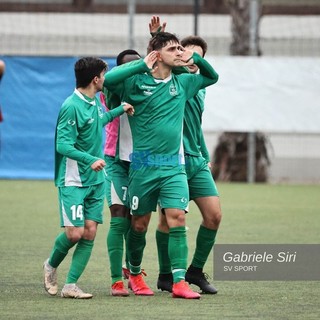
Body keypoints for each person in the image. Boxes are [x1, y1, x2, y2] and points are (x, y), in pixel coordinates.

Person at [104, 32, 219, 299]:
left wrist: (195, 60)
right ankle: (133, 272)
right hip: (142, 167)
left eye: (181, 48)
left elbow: (212, 77)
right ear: (156, 55)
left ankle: (179, 282)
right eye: (174, 49)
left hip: (173, 167)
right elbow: (109, 80)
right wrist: (142, 64)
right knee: (140, 225)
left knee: (177, 218)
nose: (180, 52)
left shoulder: (184, 82)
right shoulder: (135, 82)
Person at [43, 57, 134, 299]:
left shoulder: (94, 102)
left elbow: (97, 123)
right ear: (96, 79)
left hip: (96, 179)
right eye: (104, 75)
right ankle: (50, 265)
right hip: (74, 179)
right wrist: (89, 159)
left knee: (90, 232)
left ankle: (70, 285)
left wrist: (119, 109)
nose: (106, 79)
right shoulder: (71, 106)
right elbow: (63, 145)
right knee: (74, 233)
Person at [155, 34, 222, 294]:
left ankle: (195, 271)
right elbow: (156, 64)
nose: (190, 60)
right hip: (172, 161)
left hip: (196, 160)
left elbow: (195, 126)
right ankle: (165, 275)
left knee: (214, 215)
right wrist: (155, 40)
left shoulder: (198, 85)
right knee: (166, 222)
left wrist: (203, 153)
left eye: (197, 57)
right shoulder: (172, 81)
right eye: (185, 54)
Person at [100, 49, 142, 297]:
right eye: (128, 68)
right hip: (116, 162)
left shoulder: (147, 88)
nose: (133, 72)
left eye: (137, 66)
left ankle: (133, 271)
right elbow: (112, 79)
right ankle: (116, 280)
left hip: (143, 163)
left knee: (137, 222)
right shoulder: (113, 89)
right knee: (119, 218)